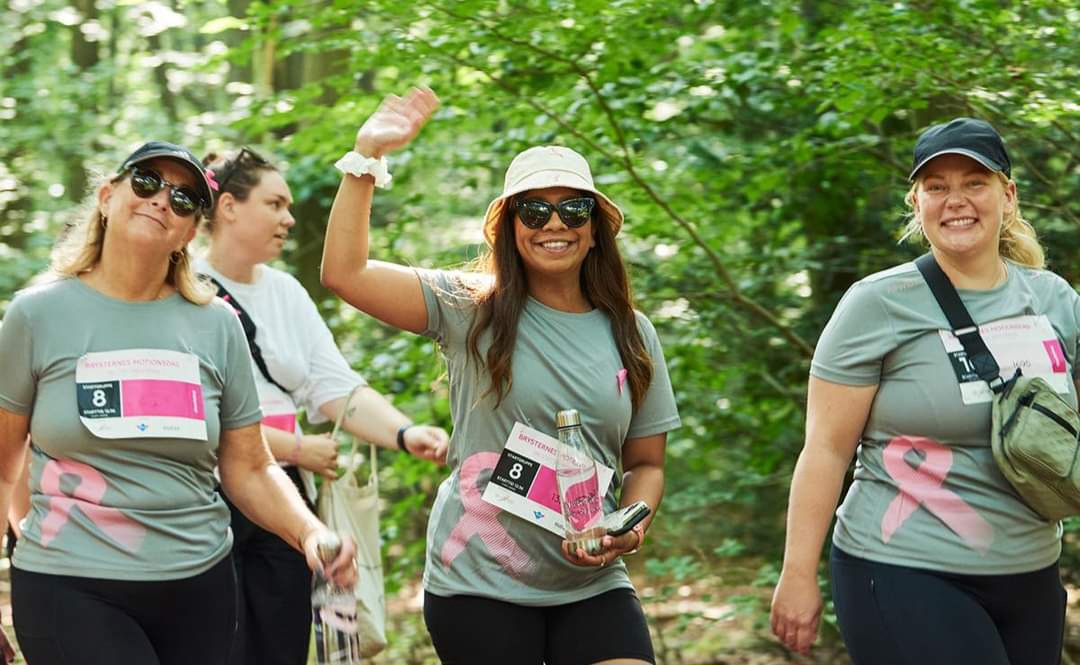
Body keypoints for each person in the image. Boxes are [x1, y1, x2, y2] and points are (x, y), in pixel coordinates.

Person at [320, 88, 681, 665]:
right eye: (534, 210)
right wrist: (366, 157)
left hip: (590, 580)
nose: (554, 223)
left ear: (595, 229)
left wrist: (628, 525)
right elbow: (345, 273)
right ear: (511, 226)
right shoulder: (469, 309)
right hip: (479, 583)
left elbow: (647, 464)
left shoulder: (632, 332)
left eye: (574, 209)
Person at [0, 141, 356, 665]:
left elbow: (250, 467)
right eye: (146, 182)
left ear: (193, 230)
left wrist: (311, 533)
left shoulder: (216, 325)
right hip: (69, 582)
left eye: (185, 198)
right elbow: (3, 463)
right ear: (106, 195)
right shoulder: (37, 315)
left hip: (199, 587)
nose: (163, 200)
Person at [770, 118, 1078, 665]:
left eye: (974, 182)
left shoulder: (1053, 299)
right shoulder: (878, 303)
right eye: (936, 187)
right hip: (902, 569)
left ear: (1008, 195)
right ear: (917, 202)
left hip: (1031, 572)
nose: (955, 200)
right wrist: (797, 574)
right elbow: (825, 449)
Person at [197, 145, 450, 665]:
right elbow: (193, 411)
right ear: (228, 207)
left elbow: (334, 388)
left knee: (282, 641)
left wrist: (406, 434)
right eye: (275, 204)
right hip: (206, 492)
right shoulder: (183, 290)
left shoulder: (287, 292)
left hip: (282, 495)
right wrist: (295, 446)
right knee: (216, 643)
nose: (289, 218)